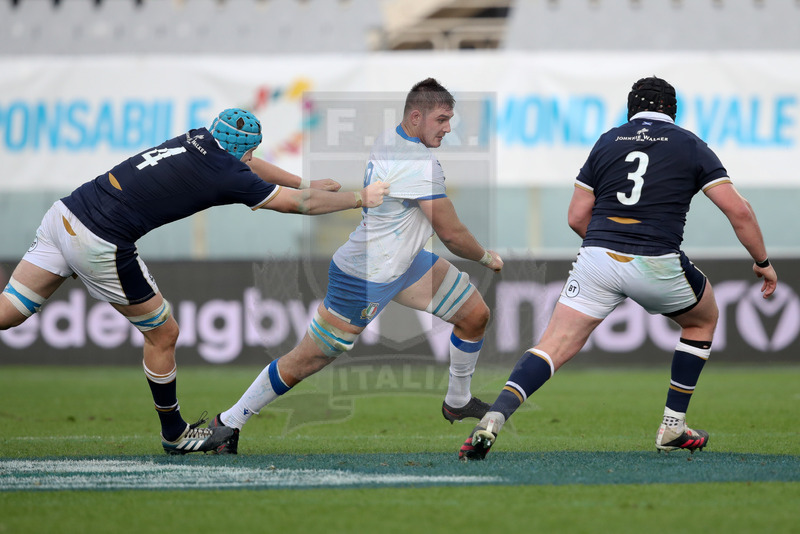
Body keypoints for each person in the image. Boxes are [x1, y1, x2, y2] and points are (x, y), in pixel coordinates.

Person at [0, 108, 389, 455]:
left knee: (9, 312)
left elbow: (252, 167)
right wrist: (360, 198)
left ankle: (175, 431)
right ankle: (174, 434)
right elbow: (298, 205)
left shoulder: (198, 136)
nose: (252, 159)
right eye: (251, 152)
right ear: (244, 151)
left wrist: (303, 180)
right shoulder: (226, 172)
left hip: (67, 212)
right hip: (100, 238)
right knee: (163, 334)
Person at [459, 76, 778, 460]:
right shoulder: (691, 145)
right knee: (701, 320)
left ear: (630, 109)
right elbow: (738, 210)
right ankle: (672, 426)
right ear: (672, 110)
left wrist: (606, 247)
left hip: (598, 257)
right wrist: (762, 262)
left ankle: (495, 415)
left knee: (553, 345)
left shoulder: (608, 140)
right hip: (656, 259)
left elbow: (577, 216)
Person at [209, 78, 504, 453]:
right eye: (442, 119)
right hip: (364, 274)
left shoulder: (392, 139)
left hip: (405, 263)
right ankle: (228, 422)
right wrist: (486, 257)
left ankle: (458, 400)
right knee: (308, 360)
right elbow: (451, 234)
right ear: (416, 117)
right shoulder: (417, 164)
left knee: (474, 314)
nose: (448, 128)